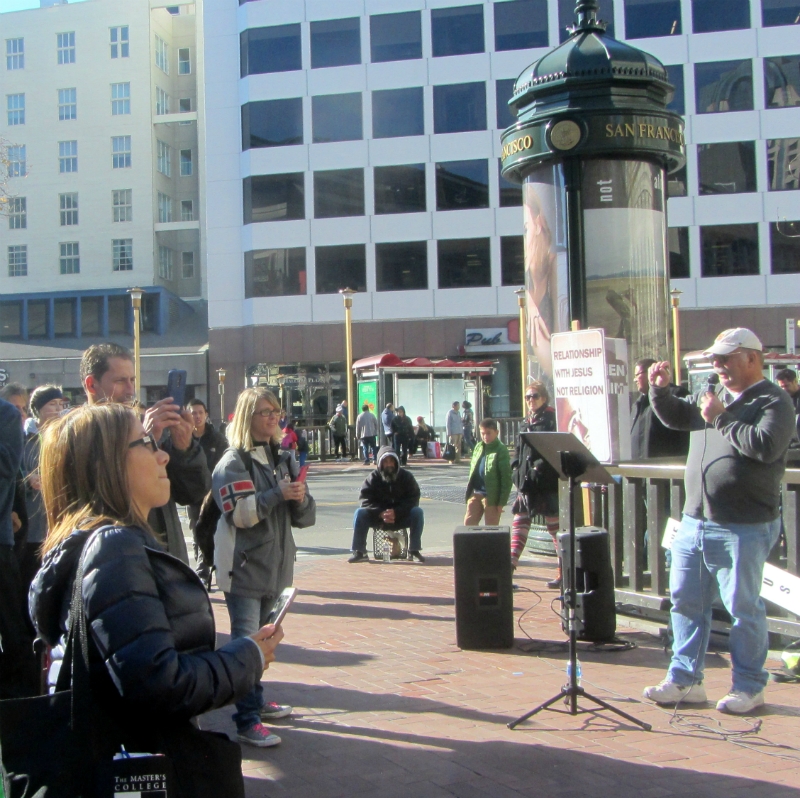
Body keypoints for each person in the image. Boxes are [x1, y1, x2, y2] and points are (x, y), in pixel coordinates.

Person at [28, 403, 282, 795]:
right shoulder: (115, 549)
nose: (163, 453)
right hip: (135, 764)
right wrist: (247, 657)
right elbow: (159, 683)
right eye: (146, 444)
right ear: (107, 465)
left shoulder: (98, 544)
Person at [642, 328, 796, 715]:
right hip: (696, 519)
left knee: (743, 608)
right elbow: (678, 418)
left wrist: (721, 418)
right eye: (715, 359)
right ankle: (685, 680)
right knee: (685, 602)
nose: (718, 366)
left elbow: (766, 446)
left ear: (752, 358)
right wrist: (659, 391)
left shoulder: (774, 400)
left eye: (726, 358)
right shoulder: (714, 394)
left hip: (744, 523)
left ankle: (748, 686)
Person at [212, 387, 316, 746]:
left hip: (274, 568)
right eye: (265, 411)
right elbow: (240, 514)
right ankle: (247, 720)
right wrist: (278, 494)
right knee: (245, 644)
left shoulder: (282, 458)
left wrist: (300, 499)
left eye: (276, 411)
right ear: (247, 417)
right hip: (243, 569)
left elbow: (304, 518)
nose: (274, 417)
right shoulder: (232, 463)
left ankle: (255, 701)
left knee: (262, 641)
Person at [80, 343, 210, 564]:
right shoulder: (78, 435)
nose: (130, 390)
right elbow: (103, 495)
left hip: (167, 559)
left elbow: (192, 493)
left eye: (132, 380)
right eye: (120, 381)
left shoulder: (145, 428)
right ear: (91, 384)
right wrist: (145, 440)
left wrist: (184, 447)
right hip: (119, 562)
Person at [0, 395, 38, 700]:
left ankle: (19, 711)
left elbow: (6, 467)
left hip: (1, 545)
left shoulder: (7, 416)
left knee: (12, 632)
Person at [510, 382, 561, 585]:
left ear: (544, 398)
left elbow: (552, 450)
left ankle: (563, 571)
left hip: (545, 482)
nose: (531, 400)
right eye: (527, 397)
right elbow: (518, 449)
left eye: (535, 396)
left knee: (554, 528)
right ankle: (510, 567)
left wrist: (537, 469)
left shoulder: (551, 420)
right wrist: (515, 468)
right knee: (519, 523)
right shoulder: (526, 421)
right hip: (525, 483)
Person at [20, 385, 64, 590]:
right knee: (30, 579)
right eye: (51, 404)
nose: (57, 409)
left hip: (58, 521)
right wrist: (28, 481)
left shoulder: (64, 435)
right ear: (37, 409)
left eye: (60, 404)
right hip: (31, 523)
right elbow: (14, 471)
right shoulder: (23, 438)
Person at [348, 445, 424, 563]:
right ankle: (359, 551)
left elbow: (413, 499)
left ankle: (414, 550)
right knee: (360, 513)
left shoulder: (406, 477)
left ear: (396, 462)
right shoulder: (372, 478)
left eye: (391, 461)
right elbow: (364, 500)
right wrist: (380, 513)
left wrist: (397, 512)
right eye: (385, 462)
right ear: (380, 464)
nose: (389, 465)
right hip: (378, 518)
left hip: (400, 517)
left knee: (417, 512)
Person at [187, 398, 228, 583]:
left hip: (213, 493)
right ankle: (202, 568)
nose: (196, 416)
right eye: (193, 413)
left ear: (206, 415)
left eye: (200, 413)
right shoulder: (184, 438)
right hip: (192, 492)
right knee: (197, 529)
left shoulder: (216, 438)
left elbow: (225, 462)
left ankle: (209, 567)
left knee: (211, 528)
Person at [630, 358, 689, 459]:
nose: (634, 380)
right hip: (639, 469)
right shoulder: (639, 403)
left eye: (637, 375)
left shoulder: (675, 395)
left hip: (665, 468)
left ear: (650, 372)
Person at [464, 418, 512, 527]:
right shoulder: (478, 447)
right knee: (469, 524)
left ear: (496, 432)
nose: (486, 437)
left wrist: (501, 503)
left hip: (491, 496)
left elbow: (506, 478)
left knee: (491, 528)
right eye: (483, 433)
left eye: (489, 433)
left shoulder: (501, 450)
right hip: (476, 492)